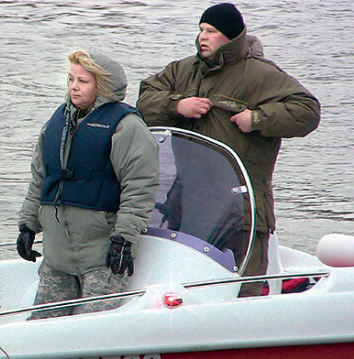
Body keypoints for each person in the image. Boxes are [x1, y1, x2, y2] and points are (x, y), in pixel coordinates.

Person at [136, 3, 320, 297]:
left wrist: (257, 119)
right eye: (200, 30)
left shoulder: (260, 75)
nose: (202, 37)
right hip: (188, 205)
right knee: (186, 289)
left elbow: (308, 111)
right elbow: (145, 99)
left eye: (211, 31)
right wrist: (177, 105)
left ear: (231, 37)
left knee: (242, 292)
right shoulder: (182, 70)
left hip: (242, 208)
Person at [17, 50, 159, 319]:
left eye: (82, 81)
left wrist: (123, 239)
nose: (73, 86)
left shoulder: (127, 127)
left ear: (102, 86)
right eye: (71, 79)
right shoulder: (55, 123)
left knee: (91, 330)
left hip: (102, 258)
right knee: (39, 329)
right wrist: (27, 226)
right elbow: (39, 177)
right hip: (57, 256)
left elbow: (140, 187)